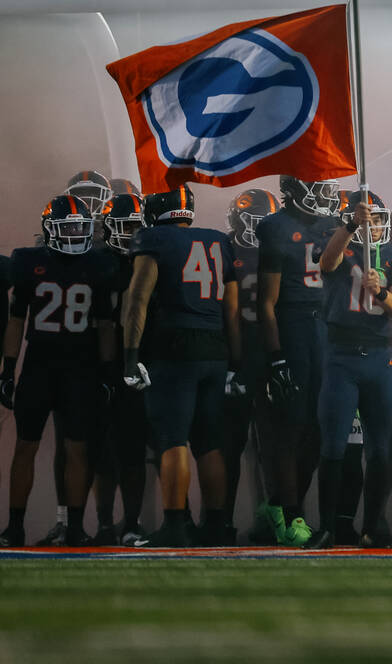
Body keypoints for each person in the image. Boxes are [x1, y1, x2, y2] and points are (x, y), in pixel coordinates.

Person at [122, 185, 240, 547]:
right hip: (215, 348)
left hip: (176, 347)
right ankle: (218, 526)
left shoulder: (153, 238)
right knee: (209, 442)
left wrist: (130, 355)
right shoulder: (219, 240)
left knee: (171, 439)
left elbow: (138, 300)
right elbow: (231, 310)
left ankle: (175, 526)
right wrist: (236, 361)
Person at [0, 195, 117, 547]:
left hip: (80, 369)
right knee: (25, 446)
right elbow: (17, 320)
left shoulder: (98, 264)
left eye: (80, 227)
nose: (75, 234)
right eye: (68, 228)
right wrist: (7, 370)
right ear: (49, 229)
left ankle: (76, 527)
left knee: (77, 449)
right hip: (39, 366)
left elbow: (105, 324)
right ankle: (16, 526)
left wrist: (108, 371)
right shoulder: (28, 261)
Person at [305, 192, 392, 549]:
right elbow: (326, 264)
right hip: (341, 355)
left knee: (381, 447)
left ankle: (373, 526)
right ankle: (328, 528)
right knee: (333, 444)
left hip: (379, 357)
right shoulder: (337, 239)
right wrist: (351, 224)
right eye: (369, 218)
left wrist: (380, 294)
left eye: (378, 218)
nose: (375, 224)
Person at [255, 176, 341, 546]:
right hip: (293, 327)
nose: (325, 194)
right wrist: (276, 358)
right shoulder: (275, 227)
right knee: (291, 426)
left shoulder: (331, 225)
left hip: (327, 328)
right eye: (317, 185)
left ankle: (279, 505)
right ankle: (292, 515)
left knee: (320, 430)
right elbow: (267, 302)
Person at [94, 193, 150, 545]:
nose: (129, 233)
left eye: (135, 227)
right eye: (124, 226)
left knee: (134, 451)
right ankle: (103, 524)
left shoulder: (148, 259)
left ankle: (131, 522)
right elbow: (101, 322)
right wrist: (105, 371)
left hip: (141, 365)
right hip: (103, 365)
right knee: (103, 452)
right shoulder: (100, 263)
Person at [224, 188, 280, 544]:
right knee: (230, 444)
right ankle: (221, 518)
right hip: (236, 352)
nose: (259, 232)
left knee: (273, 445)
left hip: (267, 352)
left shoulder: (279, 250)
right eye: (253, 223)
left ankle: (274, 517)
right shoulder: (224, 249)